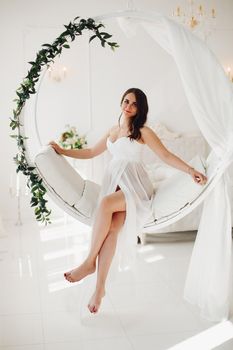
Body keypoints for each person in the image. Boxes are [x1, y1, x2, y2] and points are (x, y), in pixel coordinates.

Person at [49, 87, 207, 314]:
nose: (129, 106)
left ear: (140, 109)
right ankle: (100, 289)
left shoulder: (142, 131)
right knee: (112, 229)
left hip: (136, 186)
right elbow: (92, 151)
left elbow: (165, 155)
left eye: (134, 104)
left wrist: (190, 169)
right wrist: (63, 151)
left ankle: (88, 262)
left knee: (104, 205)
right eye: (126, 101)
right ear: (121, 102)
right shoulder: (113, 131)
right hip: (116, 184)